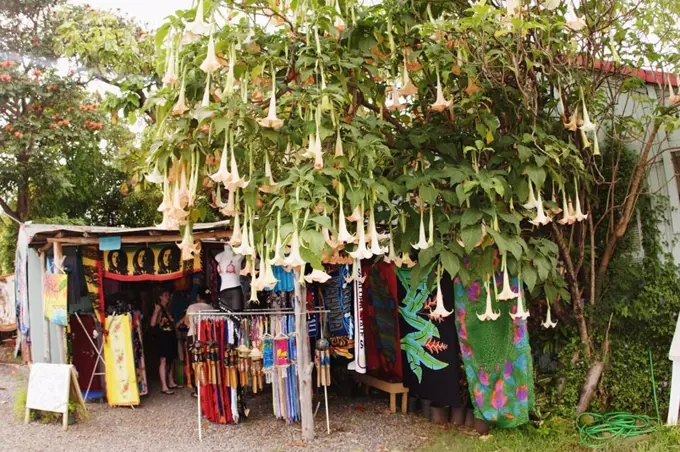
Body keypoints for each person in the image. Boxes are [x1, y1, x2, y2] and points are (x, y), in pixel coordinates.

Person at [150, 288, 183, 395]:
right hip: (163, 336)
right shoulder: (159, 308)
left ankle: (171, 381)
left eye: (168, 295)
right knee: (163, 360)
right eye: (165, 295)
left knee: (171, 359)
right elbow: (153, 324)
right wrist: (156, 311)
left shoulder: (167, 309)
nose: (167, 297)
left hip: (170, 335)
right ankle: (164, 386)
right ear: (160, 297)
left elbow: (173, 325)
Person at [183, 288, 214, 398]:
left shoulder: (192, 307)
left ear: (198, 297)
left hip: (193, 337)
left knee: (195, 363)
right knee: (207, 361)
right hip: (206, 338)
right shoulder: (211, 308)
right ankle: (208, 387)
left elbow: (186, 322)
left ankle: (198, 389)